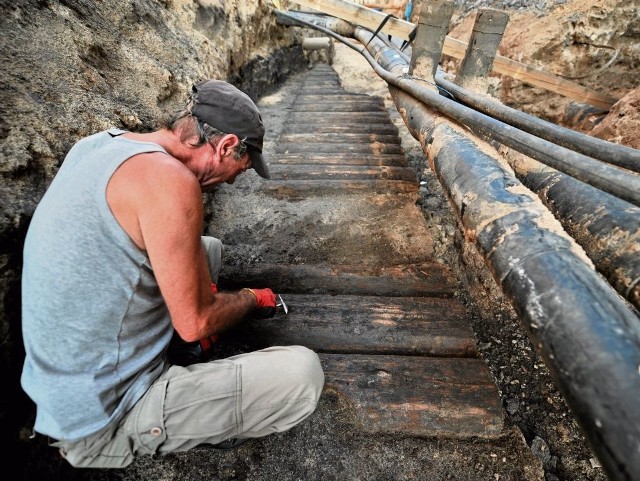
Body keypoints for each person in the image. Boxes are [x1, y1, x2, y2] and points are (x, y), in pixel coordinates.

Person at [20, 79, 325, 468]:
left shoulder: (100, 144)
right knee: (302, 375)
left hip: (60, 381)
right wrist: (250, 300)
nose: (233, 180)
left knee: (206, 249)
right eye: (240, 168)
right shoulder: (173, 182)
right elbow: (196, 322)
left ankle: (180, 361)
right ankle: (174, 419)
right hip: (100, 418)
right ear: (227, 145)